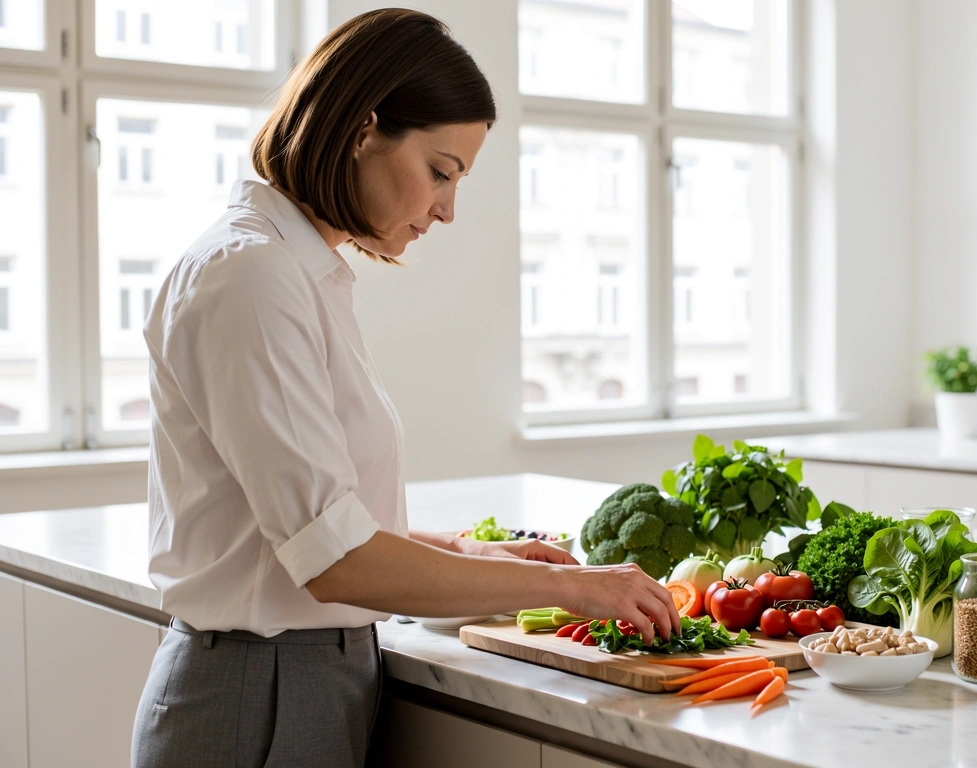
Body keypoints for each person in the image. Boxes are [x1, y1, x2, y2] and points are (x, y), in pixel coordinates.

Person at [131, 9, 679, 767]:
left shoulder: (297, 272)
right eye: (441, 171)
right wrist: (581, 589)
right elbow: (333, 562)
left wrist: (464, 552)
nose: (448, 210)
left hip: (295, 679)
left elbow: (302, 523)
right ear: (362, 129)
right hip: (258, 693)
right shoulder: (251, 276)